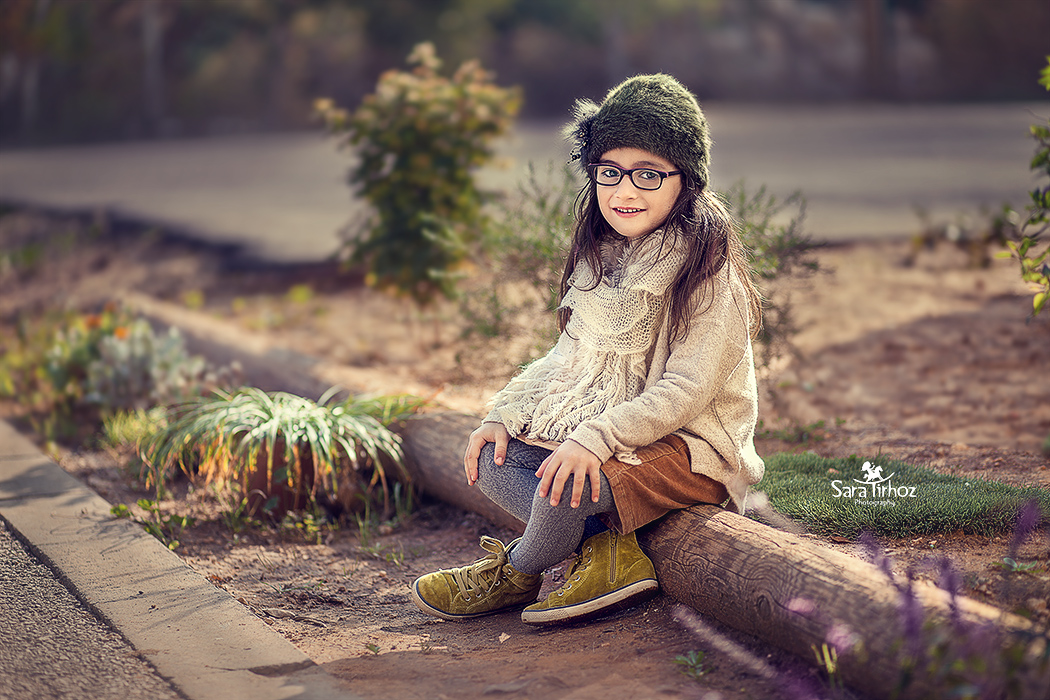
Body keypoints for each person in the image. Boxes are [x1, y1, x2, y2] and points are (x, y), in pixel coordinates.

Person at [411, 73, 764, 626]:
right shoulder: (602, 258)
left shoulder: (709, 275)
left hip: (690, 447)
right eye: (610, 172)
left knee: (565, 484)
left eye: (649, 175)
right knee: (494, 460)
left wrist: (593, 439)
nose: (624, 192)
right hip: (619, 434)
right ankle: (611, 552)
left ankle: (517, 570)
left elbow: (687, 391)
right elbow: (566, 357)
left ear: (685, 180)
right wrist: (504, 414)